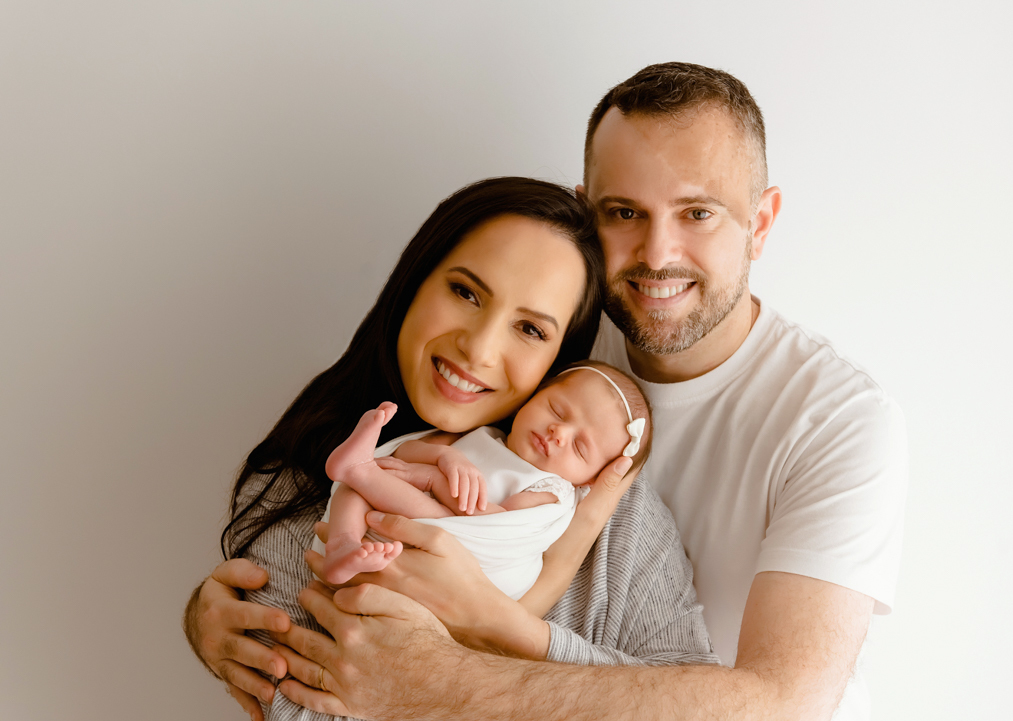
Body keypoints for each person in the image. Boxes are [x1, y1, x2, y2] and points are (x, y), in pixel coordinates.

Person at [218, 63, 908, 721]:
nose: (658, 253)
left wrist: (447, 673)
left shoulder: (835, 421)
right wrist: (205, 615)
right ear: (587, 215)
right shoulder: (550, 351)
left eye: (698, 213)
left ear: (760, 222)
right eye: (624, 211)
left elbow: (786, 706)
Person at [183, 176, 715, 721]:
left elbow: (703, 705)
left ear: (560, 362)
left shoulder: (613, 512)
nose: (479, 349)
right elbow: (300, 710)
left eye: (531, 329)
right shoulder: (297, 486)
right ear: (415, 282)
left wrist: (479, 651)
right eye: (465, 293)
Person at [320, 360, 653, 600]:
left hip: (455, 538)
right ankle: (342, 544)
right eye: (557, 410)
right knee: (361, 484)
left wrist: (433, 479)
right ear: (535, 395)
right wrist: (444, 456)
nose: (559, 433)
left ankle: (360, 471)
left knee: (394, 492)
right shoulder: (488, 435)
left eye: (580, 447)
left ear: (591, 480)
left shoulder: (551, 491)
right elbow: (404, 454)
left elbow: (493, 524)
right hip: (388, 515)